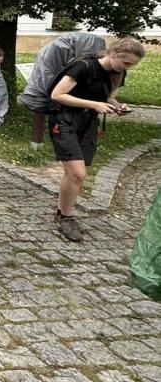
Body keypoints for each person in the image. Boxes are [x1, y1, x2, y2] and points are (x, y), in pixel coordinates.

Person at [49, 36, 144, 241]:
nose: (127, 67)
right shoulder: (83, 66)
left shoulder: (118, 73)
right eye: (126, 62)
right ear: (112, 53)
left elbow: (106, 96)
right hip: (64, 120)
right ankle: (65, 216)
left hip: (87, 123)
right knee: (78, 173)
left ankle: (62, 210)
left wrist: (117, 105)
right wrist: (94, 105)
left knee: (74, 174)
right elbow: (57, 95)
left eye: (132, 65)